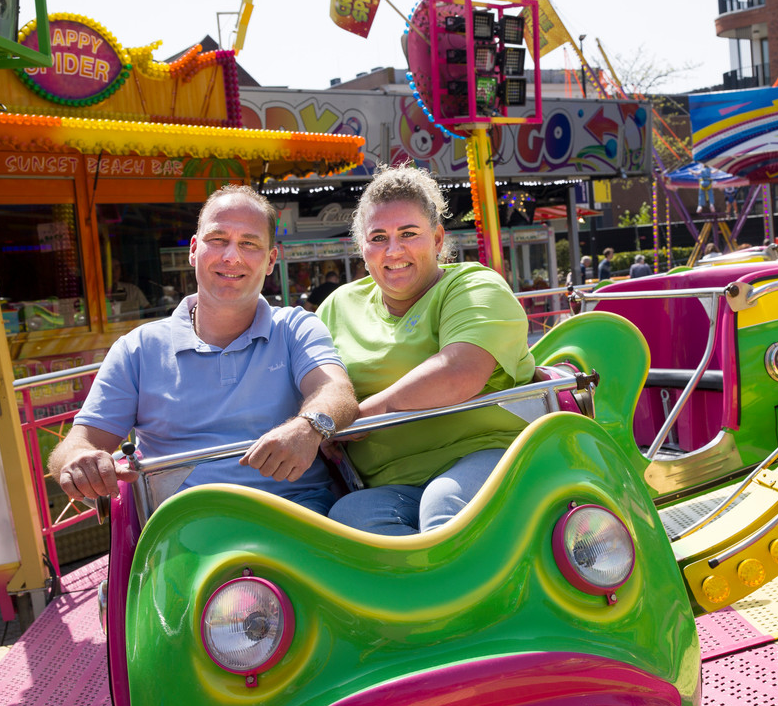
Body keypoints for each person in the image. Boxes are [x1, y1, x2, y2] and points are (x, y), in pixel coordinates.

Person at [49, 185, 359, 515]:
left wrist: (307, 427)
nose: (231, 256)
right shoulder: (136, 350)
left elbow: (336, 391)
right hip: (186, 527)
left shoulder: (296, 327)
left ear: (271, 260)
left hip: (298, 515)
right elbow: (76, 445)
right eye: (218, 240)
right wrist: (79, 461)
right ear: (194, 250)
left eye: (249, 243)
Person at [319, 164, 536, 536]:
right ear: (362, 248)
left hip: (489, 454)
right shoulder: (338, 307)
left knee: (444, 506)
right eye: (378, 237)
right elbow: (309, 383)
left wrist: (365, 412)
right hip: (389, 482)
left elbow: (458, 373)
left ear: (437, 240)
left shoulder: (472, 285)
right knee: (350, 518)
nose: (393, 249)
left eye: (408, 233)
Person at [107, 255, 149, 320]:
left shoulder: (133, 290)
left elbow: (148, 309)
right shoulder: (97, 293)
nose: (113, 272)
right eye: (110, 268)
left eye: (116, 268)